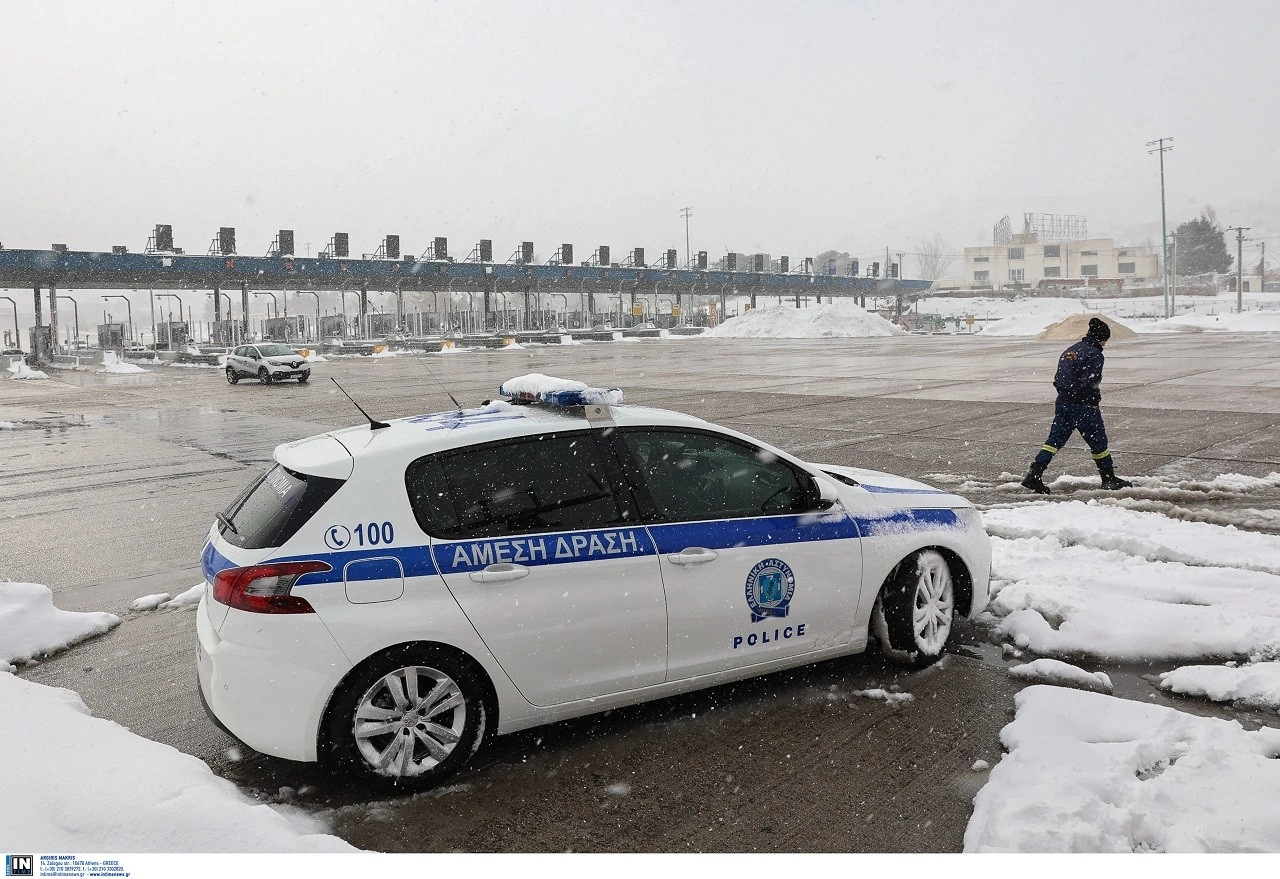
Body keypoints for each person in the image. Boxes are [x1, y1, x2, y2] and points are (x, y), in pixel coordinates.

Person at [1021, 317, 1132, 494]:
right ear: (1099, 337)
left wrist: (1066, 396)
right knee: (1098, 442)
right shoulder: (1094, 354)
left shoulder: (1069, 351)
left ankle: (1035, 474)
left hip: (1063, 403)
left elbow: (1058, 379)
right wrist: (1093, 403)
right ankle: (1108, 478)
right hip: (1083, 406)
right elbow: (1091, 382)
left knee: (1054, 441)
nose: (1105, 343)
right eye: (1105, 339)